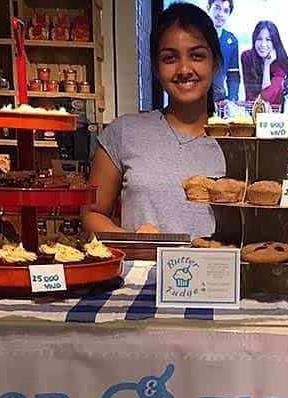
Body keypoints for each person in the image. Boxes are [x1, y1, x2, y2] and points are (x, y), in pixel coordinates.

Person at [81, 2, 225, 237]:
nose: (184, 69)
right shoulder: (124, 132)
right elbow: (92, 213)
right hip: (141, 262)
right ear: (156, 69)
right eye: (170, 58)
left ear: (215, 63)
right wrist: (135, 240)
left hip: (220, 263)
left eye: (197, 56)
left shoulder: (241, 145)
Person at [241, 20, 288, 109]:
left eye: (268, 40)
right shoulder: (247, 57)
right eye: (259, 39)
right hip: (253, 111)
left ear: (275, 42)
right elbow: (250, 95)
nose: (263, 44)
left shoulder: (281, 63)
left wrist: (267, 65)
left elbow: (266, 99)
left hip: (275, 113)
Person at [207, 0, 240, 108]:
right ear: (208, 7)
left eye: (225, 11)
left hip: (220, 102)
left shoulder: (231, 40)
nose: (220, 14)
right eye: (217, 8)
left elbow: (233, 75)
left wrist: (231, 100)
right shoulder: (194, 37)